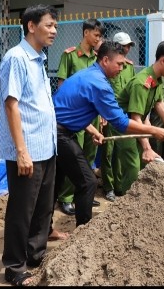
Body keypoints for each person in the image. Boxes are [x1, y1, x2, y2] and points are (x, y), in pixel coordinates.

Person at [53, 40, 164, 226]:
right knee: (88, 181)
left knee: (55, 183)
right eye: (119, 64)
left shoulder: (88, 74)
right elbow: (121, 122)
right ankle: (83, 231)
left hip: (57, 130)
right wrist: (153, 130)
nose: (122, 68)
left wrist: (92, 129)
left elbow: (73, 110)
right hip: (59, 134)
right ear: (105, 60)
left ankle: (46, 229)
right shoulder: (100, 84)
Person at [0, 5, 58, 286]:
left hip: (47, 147)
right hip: (28, 149)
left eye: (55, 26)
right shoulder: (16, 58)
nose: (54, 31)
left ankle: (36, 254)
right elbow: (12, 105)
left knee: (43, 207)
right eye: (49, 25)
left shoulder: (39, 59)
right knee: (22, 209)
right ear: (31, 26)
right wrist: (21, 151)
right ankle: (14, 265)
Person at [113, 40, 164, 195]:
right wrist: (147, 147)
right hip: (125, 124)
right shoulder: (142, 82)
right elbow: (135, 117)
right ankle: (125, 203)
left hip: (138, 122)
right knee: (132, 166)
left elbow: (158, 103)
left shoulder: (156, 79)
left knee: (145, 164)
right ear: (163, 60)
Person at [55, 18, 104, 216]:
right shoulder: (70, 56)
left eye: (100, 36)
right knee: (74, 156)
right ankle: (65, 198)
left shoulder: (97, 58)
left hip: (91, 115)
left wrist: (100, 114)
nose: (98, 39)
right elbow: (62, 86)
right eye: (96, 35)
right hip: (75, 116)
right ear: (86, 33)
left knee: (90, 156)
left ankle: (83, 196)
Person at [101, 32, 136, 202]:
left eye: (129, 46)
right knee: (108, 151)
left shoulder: (129, 66)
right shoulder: (106, 65)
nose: (128, 49)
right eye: (125, 45)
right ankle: (108, 187)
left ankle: (121, 186)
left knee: (122, 151)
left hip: (123, 115)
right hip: (108, 113)